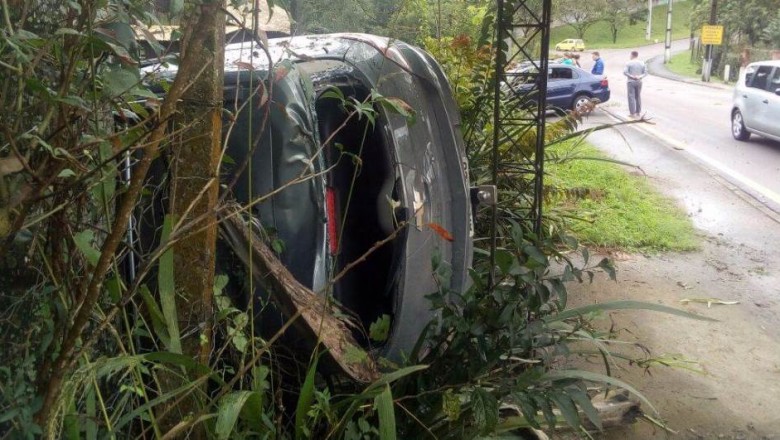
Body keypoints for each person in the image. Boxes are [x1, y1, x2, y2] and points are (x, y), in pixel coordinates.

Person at [623, 51, 647, 118]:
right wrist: (640, 76)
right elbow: (645, 72)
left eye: (630, 55)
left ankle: (632, 113)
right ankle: (638, 112)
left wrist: (631, 76)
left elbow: (625, 72)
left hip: (631, 81)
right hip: (639, 81)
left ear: (632, 55)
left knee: (631, 97)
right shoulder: (642, 63)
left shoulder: (628, 63)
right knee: (638, 96)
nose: (630, 56)